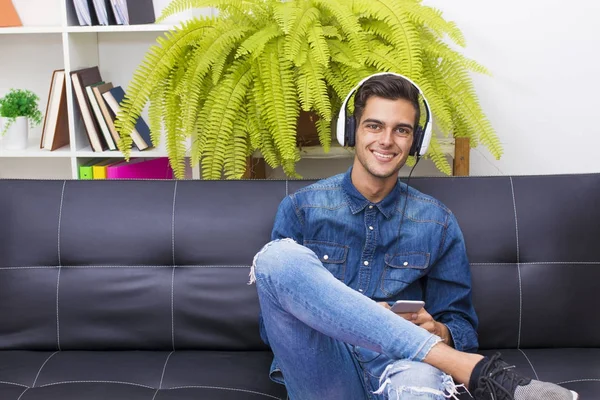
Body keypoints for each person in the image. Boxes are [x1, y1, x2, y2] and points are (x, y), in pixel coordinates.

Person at [250, 73, 578, 400]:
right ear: (352, 131)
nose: (387, 140)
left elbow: (461, 323)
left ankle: (441, 356)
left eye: (402, 130)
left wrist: (440, 331)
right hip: (326, 367)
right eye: (374, 125)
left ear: (415, 142)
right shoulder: (300, 209)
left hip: (403, 367)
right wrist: (360, 320)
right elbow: (274, 326)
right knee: (277, 259)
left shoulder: (438, 222)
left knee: (421, 380)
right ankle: (470, 368)